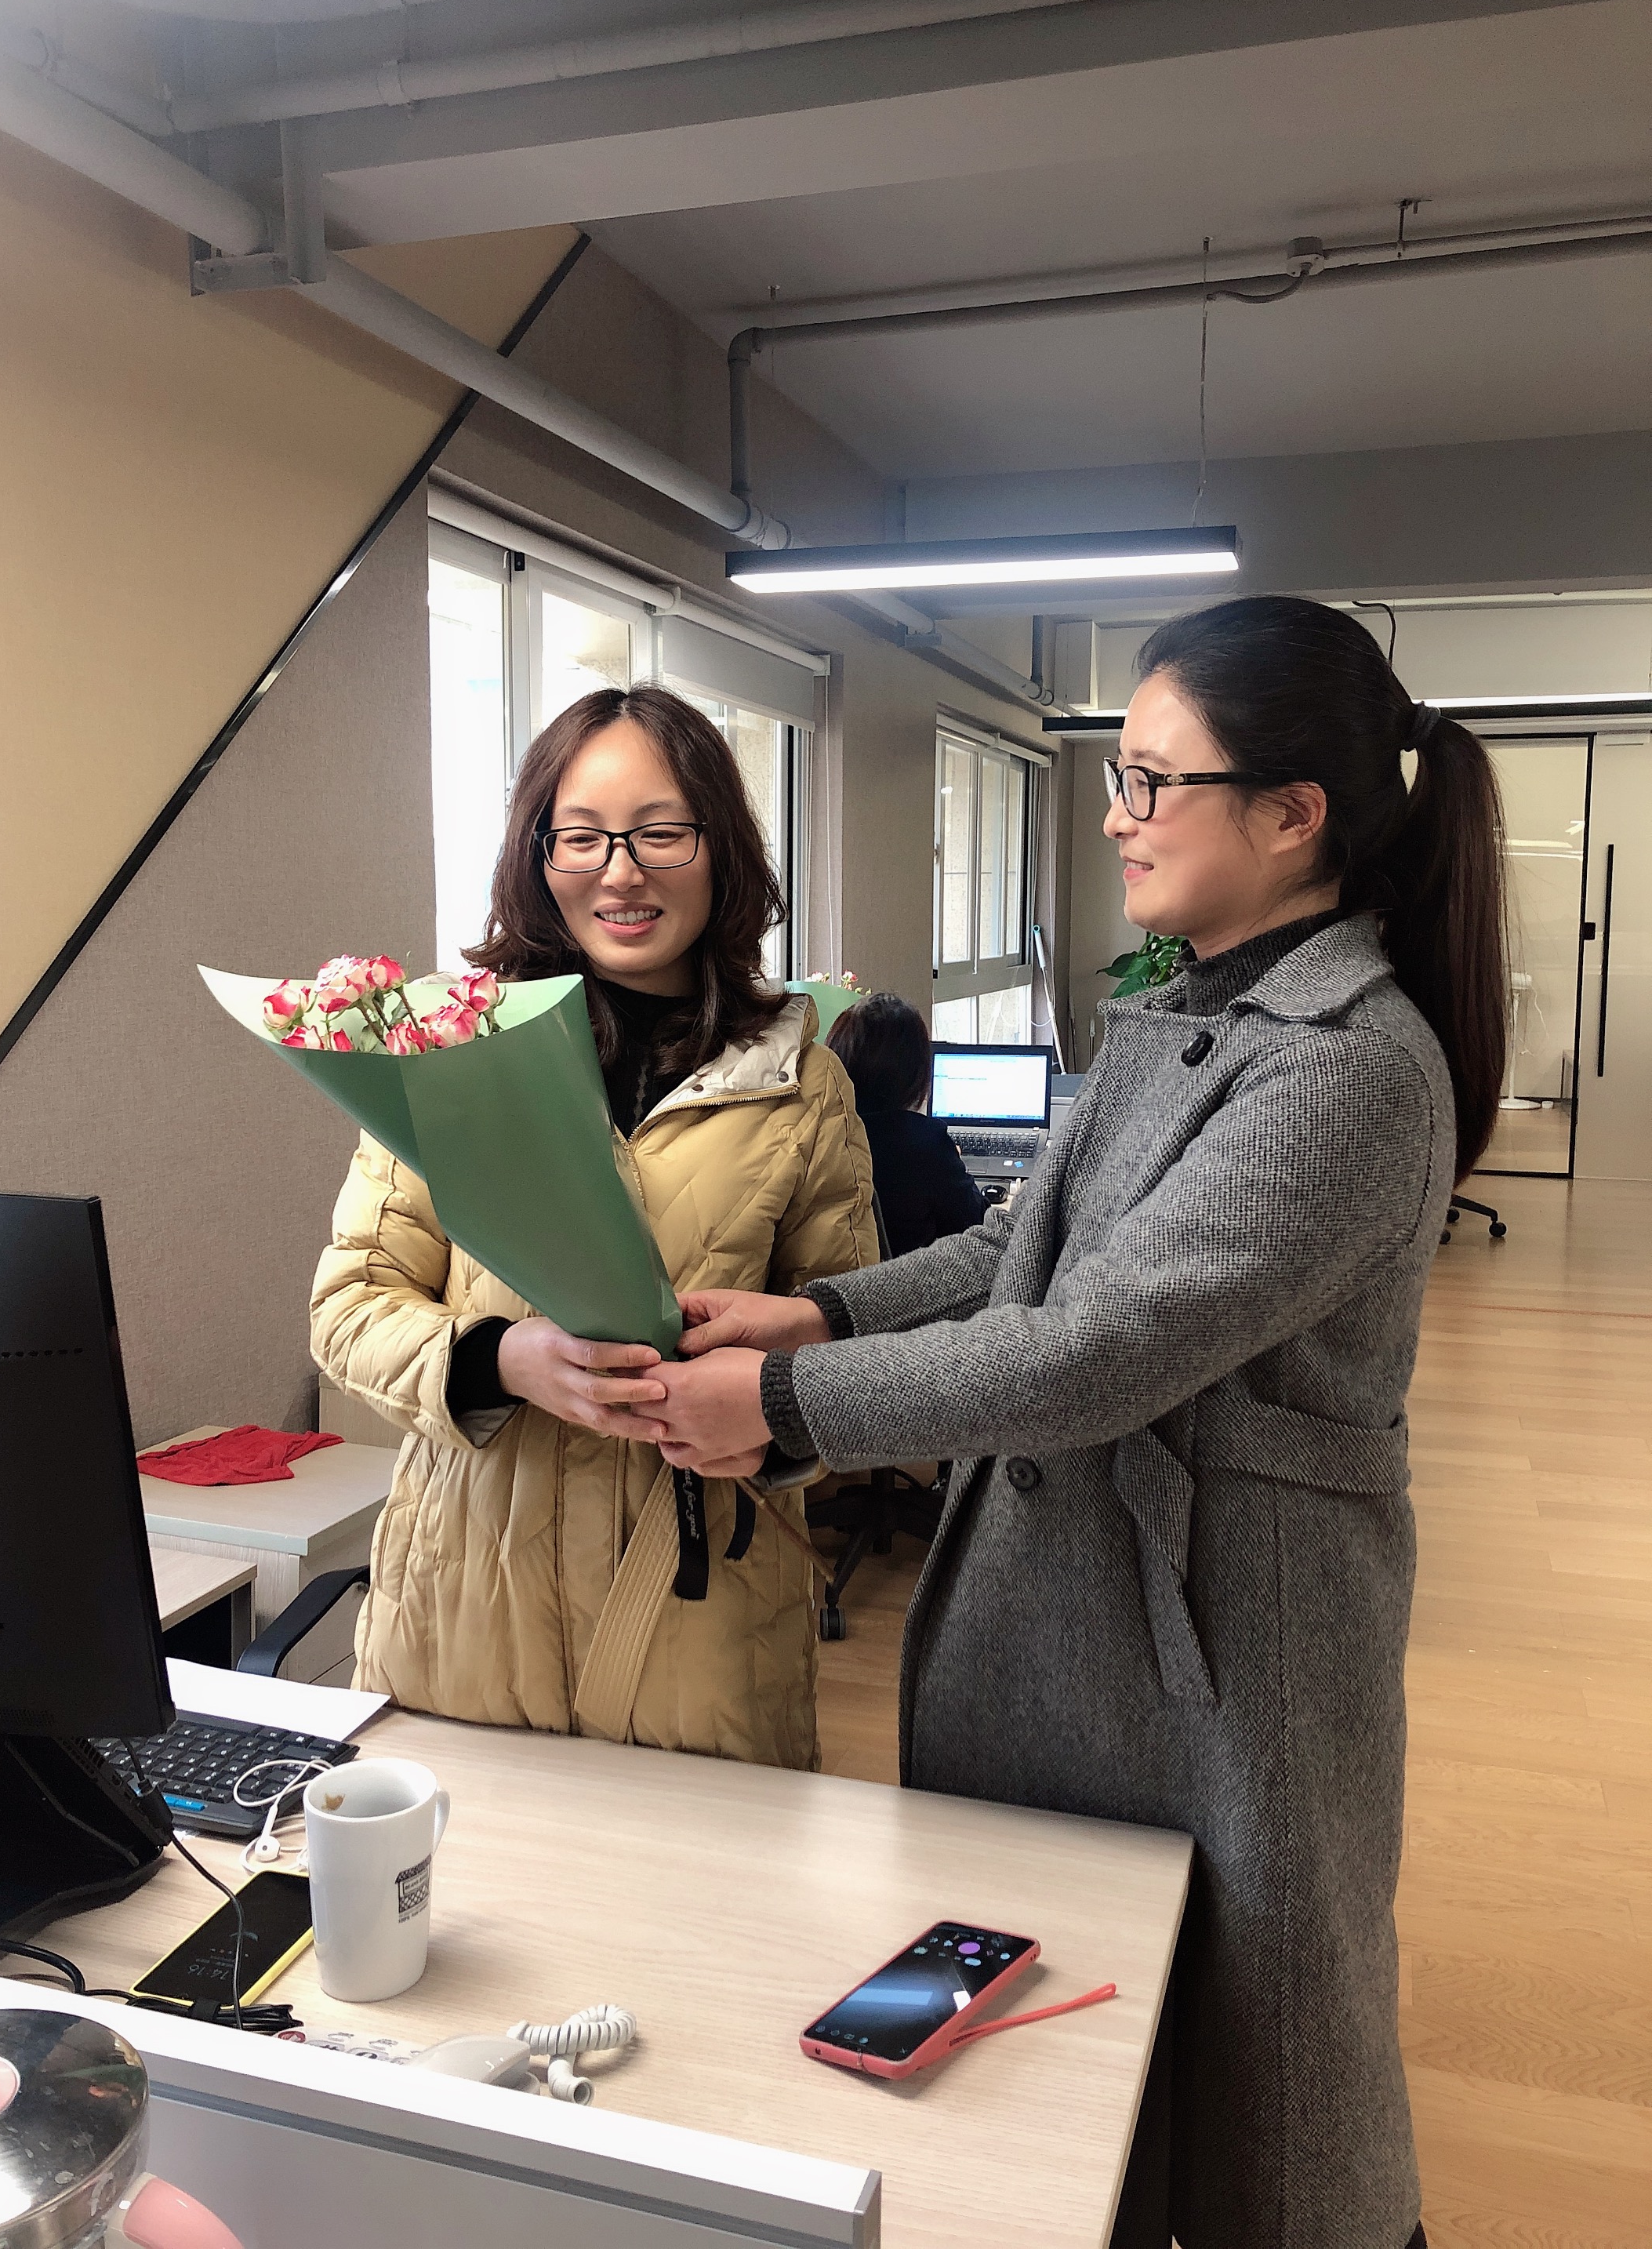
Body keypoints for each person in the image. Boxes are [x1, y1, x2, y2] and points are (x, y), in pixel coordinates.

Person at [634, 597, 1506, 2249]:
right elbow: (1020, 1246)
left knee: (1273, 2066)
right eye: (1122, 778)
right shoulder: (1187, 997)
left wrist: (786, 1404)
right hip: (1093, 1601)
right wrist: (822, 1315)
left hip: (1232, 1636)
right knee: (1057, 2043)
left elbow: (1096, 1354)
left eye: (1152, 783)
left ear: (1292, 814)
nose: (1118, 817)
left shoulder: (1347, 1066)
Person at [310, 685, 877, 1770]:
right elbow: (349, 1309)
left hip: (702, 1624)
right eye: (580, 836)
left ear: (722, 849)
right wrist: (500, 1359)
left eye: (661, 833)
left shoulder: (801, 1084)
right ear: (538, 856)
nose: (620, 872)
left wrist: (771, 1410)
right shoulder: (451, 1057)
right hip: (466, 1611)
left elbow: (852, 1344)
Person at [826, 992, 989, 1254]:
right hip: (907, 1279)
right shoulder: (924, 1144)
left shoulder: (820, 1134)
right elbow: (981, 1229)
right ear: (915, 1070)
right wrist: (953, 1165)